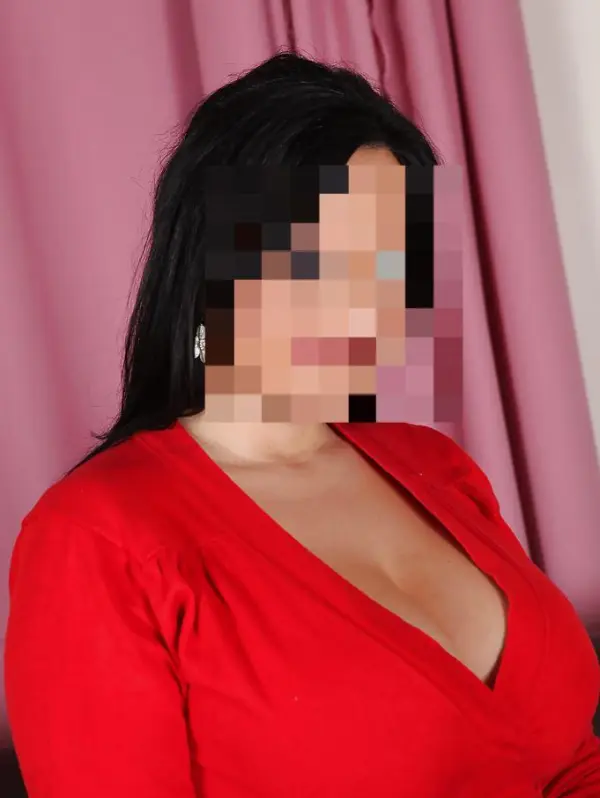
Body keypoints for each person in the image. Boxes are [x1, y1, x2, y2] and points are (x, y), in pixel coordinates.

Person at [4, 52, 600, 798]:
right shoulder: (98, 537)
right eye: (323, 254)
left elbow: (568, 755)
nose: (369, 301)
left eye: (392, 258)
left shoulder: (438, 465)